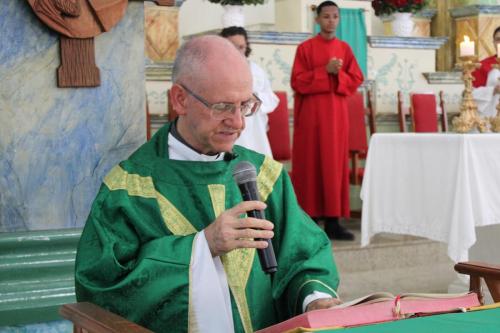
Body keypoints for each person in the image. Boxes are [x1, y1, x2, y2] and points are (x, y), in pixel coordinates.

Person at [75, 35, 341, 333]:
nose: (239, 122)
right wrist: (202, 247)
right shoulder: (128, 189)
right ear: (180, 100)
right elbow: (102, 289)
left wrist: (313, 299)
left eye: (246, 105)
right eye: (224, 107)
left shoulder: (265, 176)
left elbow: (302, 256)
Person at [290, 1, 363, 240]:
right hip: (311, 117)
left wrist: (337, 73)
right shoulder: (305, 48)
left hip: (335, 117)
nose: (331, 21)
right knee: (310, 164)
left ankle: (333, 221)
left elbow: (355, 79)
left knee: (333, 165)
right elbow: (297, 82)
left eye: (335, 17)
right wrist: (325, 71)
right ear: (317, 19)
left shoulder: (344, 48)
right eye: (326, 16)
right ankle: (308, 220)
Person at [220, 26, 279, 157]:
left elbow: (272, 98)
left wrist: (255, 98)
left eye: (241, 47)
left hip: (254, 129)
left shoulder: (256, 71)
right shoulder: (215, 70)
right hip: (226, 126)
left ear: (246, 47)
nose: (237, 52)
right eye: (232, 47)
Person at [472, 26, 500, 118]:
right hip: (490, 118)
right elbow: (470, 95)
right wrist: (493, 91)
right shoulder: (482, 65)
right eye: (498, 39)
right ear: (493, 42)